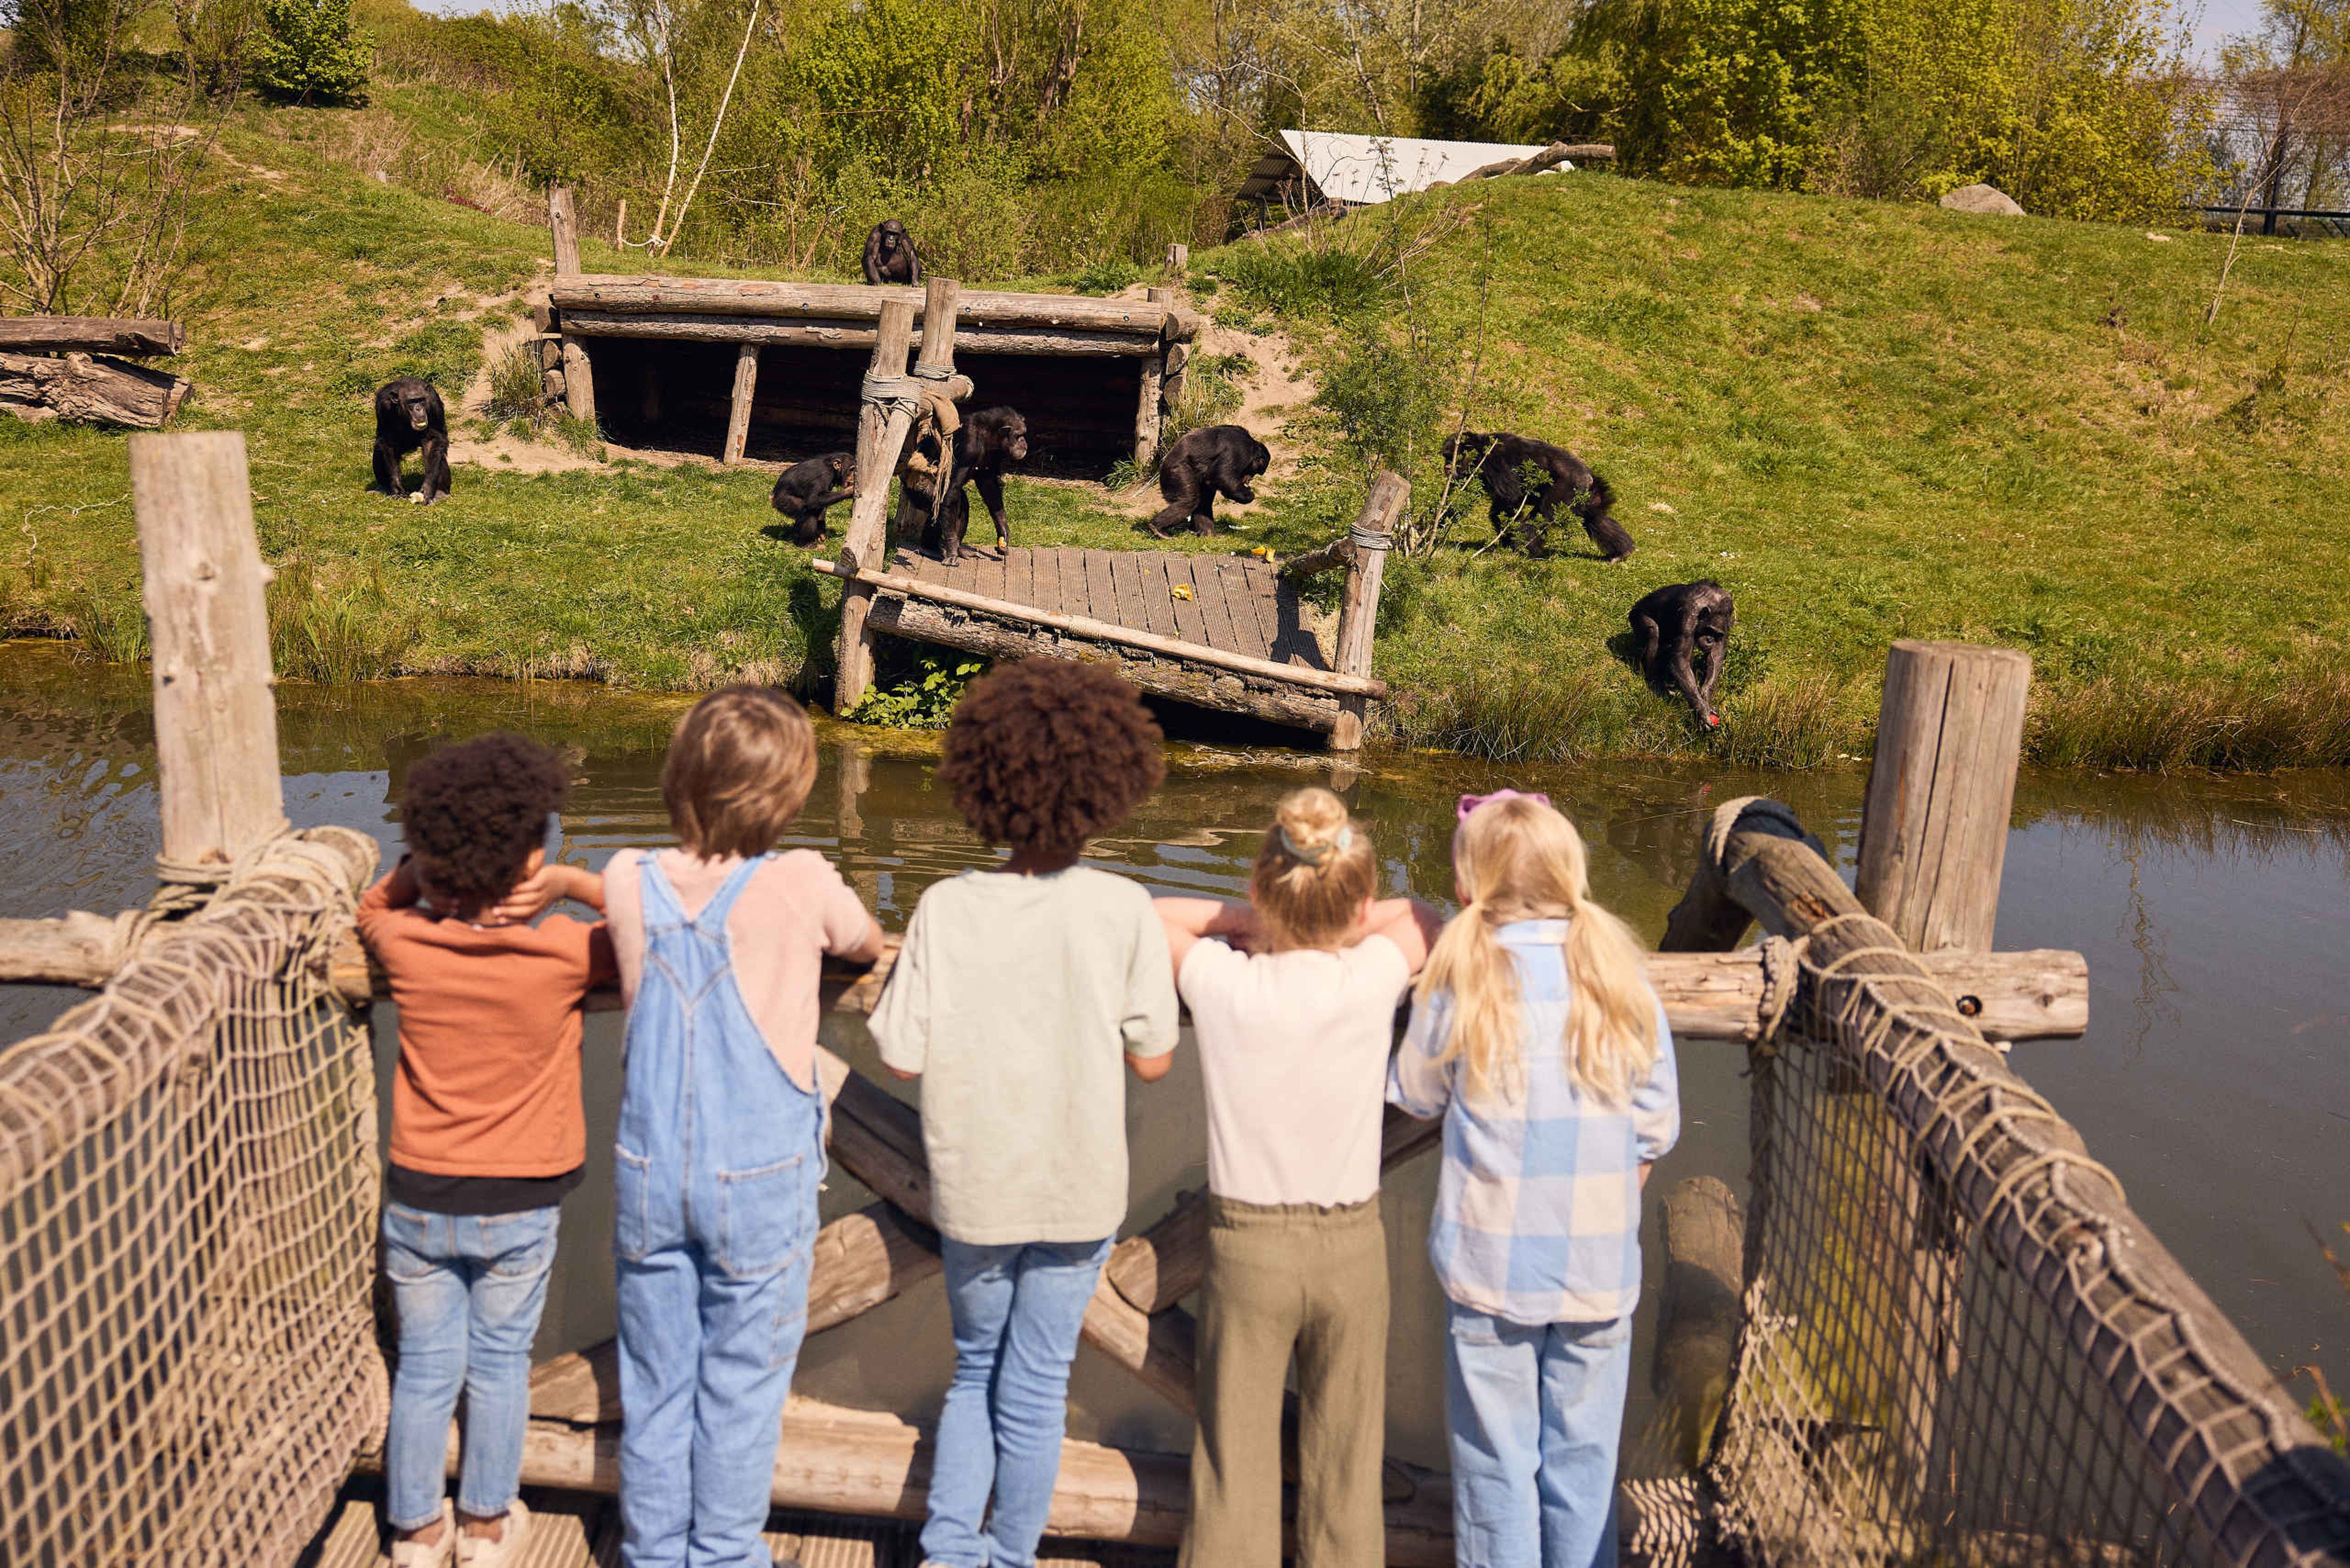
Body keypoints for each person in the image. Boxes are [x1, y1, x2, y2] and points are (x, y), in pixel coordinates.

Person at [868, 660, 1179, 1568]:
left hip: (976, 1187)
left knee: (975, 1373)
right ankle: (1012, 1556)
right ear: (1107, 789)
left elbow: (900, 1051)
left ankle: (948, 1552)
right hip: (1078, 1191)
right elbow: (1155, 1060)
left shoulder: (946, 906)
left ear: (983, 785)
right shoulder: (1125, 908)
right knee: (1039, 1385)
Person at [602, 686, 887, 1568]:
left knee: (655, 1384)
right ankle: (723, 1551)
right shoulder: (801, 881)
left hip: (650, 1170)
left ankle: (652, 1552)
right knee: (741, 1386)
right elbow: (867, 943)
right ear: (791, 794)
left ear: (680, 777)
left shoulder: (625, 878)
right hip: (758, 1178)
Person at [1388, 790, 1680, 1568]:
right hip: (1596, 1275)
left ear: (1465, 888)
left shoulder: (1458, 980)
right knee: (1585, 1466)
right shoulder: (1625, 983)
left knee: (1495, 1466)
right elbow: (1656, 1127)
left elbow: (1415, 1094)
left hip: (1489, 1276)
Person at [1155, 788, 1440, 1568]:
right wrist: (1342, 922)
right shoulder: (1372, 977)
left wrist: (1244, 923)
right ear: (1361, 901)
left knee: (1230, 1461)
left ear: (1258, 887)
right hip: (1351, 1248)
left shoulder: (1225, 983)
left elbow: (1147, 919)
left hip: (1249, 1252)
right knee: (1346, 1463)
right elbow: (1423, 918)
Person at [359, 734, 613, 1568]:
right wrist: (571, 884)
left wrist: (421, 875)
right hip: (522, 1201)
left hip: (422, 1199)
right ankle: (486, 1523)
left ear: (433, 859)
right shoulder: (567, 952)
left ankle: (413, 1528)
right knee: (501, 1366)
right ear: (534, 856)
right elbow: (648, 918)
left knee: (427, 1367)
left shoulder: (407, 944)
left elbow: (372, 907)